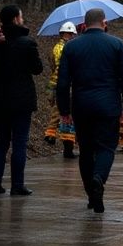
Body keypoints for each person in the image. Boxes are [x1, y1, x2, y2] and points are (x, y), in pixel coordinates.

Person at [56, 8, 123, 214]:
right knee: (107, 148)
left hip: (81, 106)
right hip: (108, 105)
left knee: (86, 151)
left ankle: (91, 194)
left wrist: (64, 109)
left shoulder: (71, 47)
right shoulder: (116, 44)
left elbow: (62, 83)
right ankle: (99, 179)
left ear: (84, 23)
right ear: (104, 22)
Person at [0, 4, 43, 196]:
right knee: (19, 143)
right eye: (21, 16)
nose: (22, 19)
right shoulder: (27, 42)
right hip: (22, 101)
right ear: (15, 19)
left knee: (1, 142)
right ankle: (17, 184)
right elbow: (37, 69)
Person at [43, 22, 79, 159]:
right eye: (72, 34)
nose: (73, 37)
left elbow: (52, 66)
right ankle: (63, 144)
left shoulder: (57, 47)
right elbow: (63, 66)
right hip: (63, 86)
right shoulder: (63, 49)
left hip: (56, 85)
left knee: (58, 111)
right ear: (67, 34)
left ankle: (51, 134)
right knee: (65, 114)